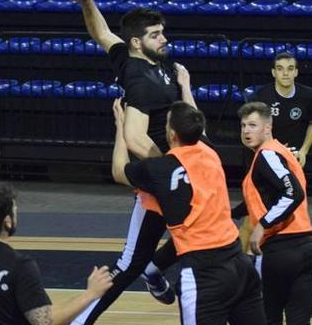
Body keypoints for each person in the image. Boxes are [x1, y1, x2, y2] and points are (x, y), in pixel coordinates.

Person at [62, 0, 198, 324]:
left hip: (181, 177)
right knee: (131, 263)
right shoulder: (139, 81)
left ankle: (153, 272)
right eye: (156, 34)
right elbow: (136, 139)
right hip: (164, 184)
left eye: (162, 32)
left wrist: (87, 0)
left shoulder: (145, 61)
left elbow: (103, 33)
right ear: (138, 42)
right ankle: (81, 320)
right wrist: (169, 171)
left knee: (193, 243)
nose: (164, 39)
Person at [111, 99, 266, 325]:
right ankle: (153, 270)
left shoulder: (160, 169)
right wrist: (185, 84)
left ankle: (152, 270)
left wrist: (121, 126)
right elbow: (198, 124)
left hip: (203, 274)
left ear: (172, 134)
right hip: (239, 265)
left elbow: (118, 170)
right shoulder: (210, 152)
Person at [0, 182, 113, 325]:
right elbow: (45, 321)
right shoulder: (19, 265)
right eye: (15, 211)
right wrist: (91, 294)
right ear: (7, 222)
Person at [248, 52, 312, 301]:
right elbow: (251, 128)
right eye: (280, 68)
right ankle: (242, 276)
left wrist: (304, 150)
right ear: (273, 72)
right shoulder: (262, 97)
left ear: (297, 72)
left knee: (301, 222)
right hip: (267, 164)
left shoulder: (307, 96)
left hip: (291, 166)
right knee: (253, 220)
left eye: (290, 68)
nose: (285, 73)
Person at [239, 101, 312, 325]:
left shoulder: (267, 155)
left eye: (252, 125)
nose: (246, 131)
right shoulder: (280, 152)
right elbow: (265, 198)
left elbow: (292, 193)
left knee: (268, 318)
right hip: (306, 249)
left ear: (268, 127)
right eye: (243, 125)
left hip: (282, 250)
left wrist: (262, 225)